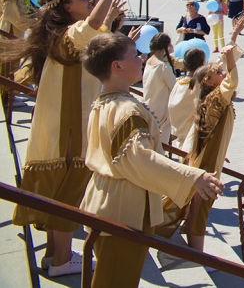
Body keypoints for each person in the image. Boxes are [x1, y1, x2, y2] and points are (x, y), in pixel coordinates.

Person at [1, 0, 124, 278]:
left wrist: (107, 16)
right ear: (68, 6)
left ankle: (56, 255)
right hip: (71, 124)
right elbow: (92, 29)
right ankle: (62, 259)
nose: (87, 1)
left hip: (59, 124)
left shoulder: (61, 34)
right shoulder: (69, 35)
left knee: (59, 191)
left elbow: (98, 33)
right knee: (71, 190)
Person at [80, 33, 222, 288]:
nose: (141, 59)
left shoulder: (105, 102)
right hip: (122, 208)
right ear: (117, 66)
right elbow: (140, 159)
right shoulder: (127, 110)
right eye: (135, 55)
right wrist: (193, 176)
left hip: (108, 199)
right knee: (116, 280)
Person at [173, 17, 244, 252]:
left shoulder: (209, 94)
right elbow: (231, 80)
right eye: (217, 72)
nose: (222, 72)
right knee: (202, 205)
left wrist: (234, 35)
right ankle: (197, 252)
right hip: (206, 163)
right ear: (207, 79)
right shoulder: (215, 99)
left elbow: (224, 64)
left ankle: (192, 240)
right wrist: (230, 59)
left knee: (197, 202)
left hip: (204, 155)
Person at [143, 33, 179, 146]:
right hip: (161, 112)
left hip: (149, 106)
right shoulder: (163, 67)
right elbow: (175, 87)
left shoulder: (149, 62)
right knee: (160, 145)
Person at [167, 48, 207, 148]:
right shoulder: (198, 85)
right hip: (192, 136)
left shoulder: (179, 82)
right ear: (202, 62)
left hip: (180, 132)